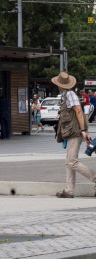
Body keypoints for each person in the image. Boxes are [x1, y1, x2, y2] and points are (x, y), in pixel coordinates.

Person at [53, 70, 96, 198]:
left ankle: (94, 178)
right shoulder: (66, 95)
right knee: (69, 161)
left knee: (72, 161)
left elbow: (78, 112)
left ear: (61, 85)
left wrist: (83, 131)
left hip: (74, 132)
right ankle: (69, 190)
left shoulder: (70, 95)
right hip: (73, 132)